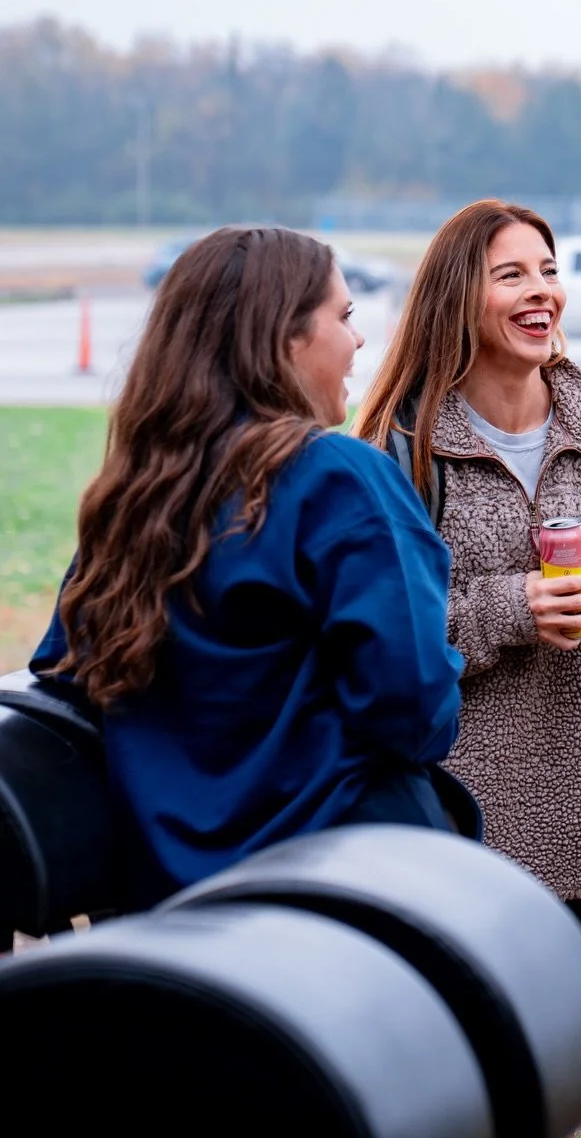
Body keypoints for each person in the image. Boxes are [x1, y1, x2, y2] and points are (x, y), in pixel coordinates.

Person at [354, 199, 581, 1138]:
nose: (540, 292)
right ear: (457, 298)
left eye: (547, 270)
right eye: (511, 275)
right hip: (456, 828)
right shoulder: (397, 452)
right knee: (476, 1072)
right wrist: (511, 608)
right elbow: (381, 646)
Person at [31, 226, 465, 908]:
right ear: (283, 338)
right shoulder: (339, 479)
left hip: (161, 916)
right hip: (327, 901)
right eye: (344, 317)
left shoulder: (134, 499)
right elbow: (412, 709)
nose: (358, 342)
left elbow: (66, 680)